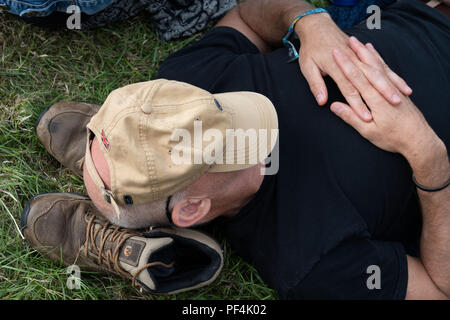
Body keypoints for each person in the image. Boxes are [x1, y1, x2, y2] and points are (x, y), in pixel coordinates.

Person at [23, 0, 449, 299]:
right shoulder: (310, 259)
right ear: (193, 210)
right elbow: (438, 289)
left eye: (218, 112)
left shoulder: (191, 81)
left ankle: (118, 178)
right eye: (226, 144)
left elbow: (250, 11)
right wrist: (427, 156)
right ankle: (125, 200)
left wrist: (307, 21)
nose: (245, 124)